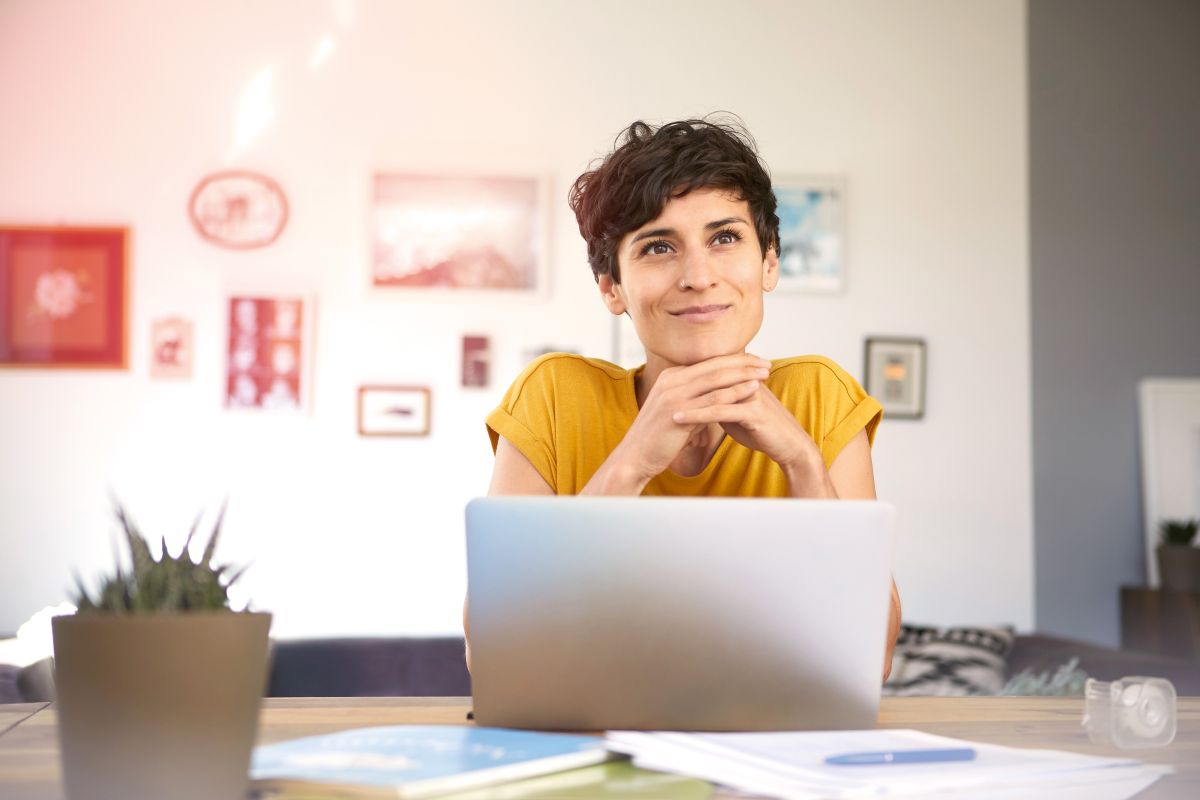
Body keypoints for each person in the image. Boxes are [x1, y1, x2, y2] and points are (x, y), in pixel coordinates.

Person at [468, 117, 901, 679]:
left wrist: (802, 463)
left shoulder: (819, 395)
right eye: (658, 247)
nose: (699, 276)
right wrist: (631, 464)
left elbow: (873, 657)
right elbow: (494, 654)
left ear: (769, 262)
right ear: (611, 287)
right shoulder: (553, 396)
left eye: (725, 238)